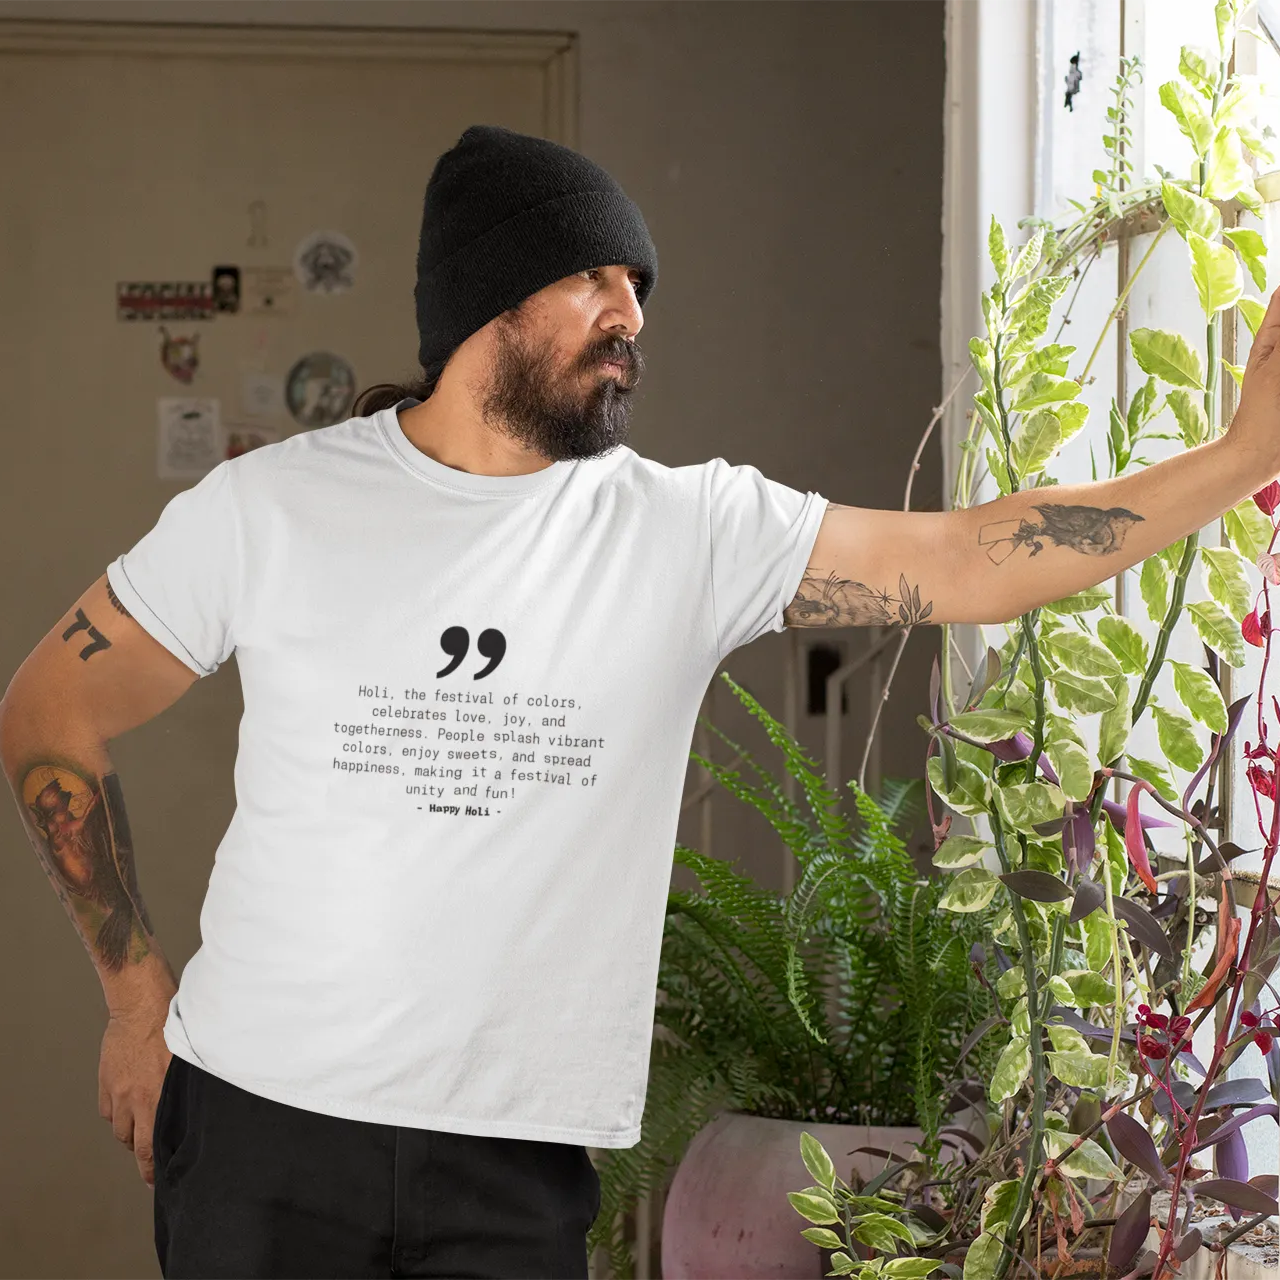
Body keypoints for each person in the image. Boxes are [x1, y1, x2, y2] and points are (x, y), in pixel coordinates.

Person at [1, 122, 1278, 1279]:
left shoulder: (690, 529)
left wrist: (1238, 460)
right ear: (483, 301)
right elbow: (51, 706)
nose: (631, 314)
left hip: (517, 1159)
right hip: (256, 1126)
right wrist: (132, 999)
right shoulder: (269, 508)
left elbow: (964, 561)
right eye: (593, 279)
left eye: (639, 288)